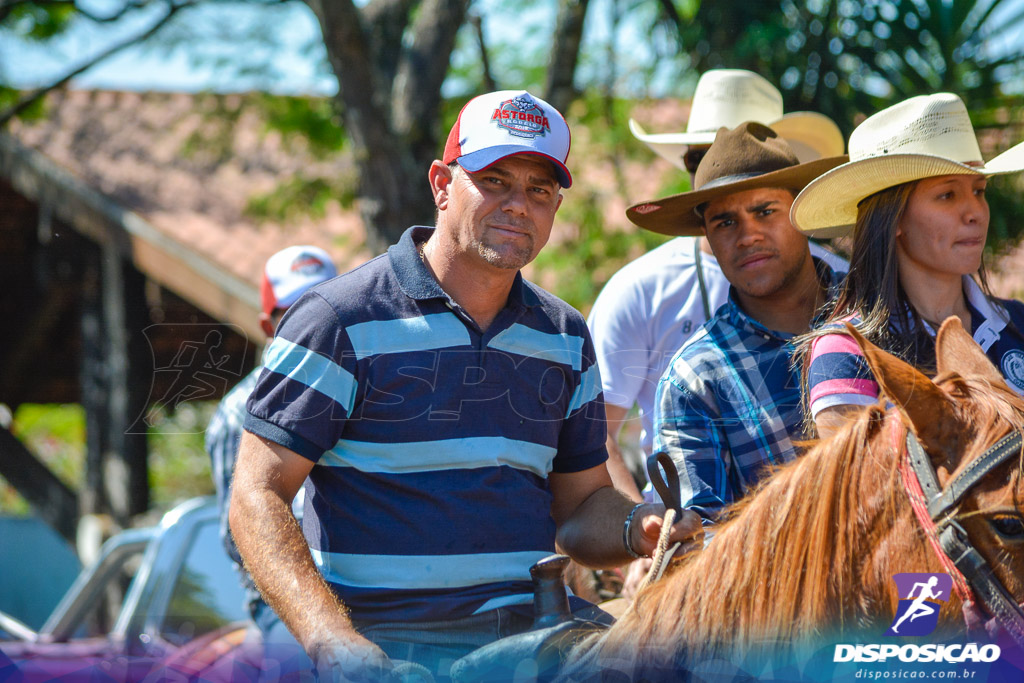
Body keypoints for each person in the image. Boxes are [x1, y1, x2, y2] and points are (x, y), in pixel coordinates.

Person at [228, 90, 701, 681]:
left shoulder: (563, 334)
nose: (518, 205)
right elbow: (256, 496)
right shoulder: (338, 320)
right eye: (495, 180)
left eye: (539, 189)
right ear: (441, 184)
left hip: (539, 632)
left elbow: (579, 508)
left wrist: (640, 527)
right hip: (389, 643)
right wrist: (333, 643)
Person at [590, 69, 846, 500]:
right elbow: (596, 436)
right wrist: (639, 537)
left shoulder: (876, 302)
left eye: (764, 206)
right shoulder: (658, 319)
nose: (726, 165)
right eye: (703, 160)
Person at [790, 93, 1024, 440]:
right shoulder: (846, 353)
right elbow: (861, 492)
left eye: (979, 190)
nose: (975, 211)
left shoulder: (1018, 322)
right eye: (947, 195)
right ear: (893, 218)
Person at [204, 246, 337, 658]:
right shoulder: (237, 413)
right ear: (268, 324)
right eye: (293, 311)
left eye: (323, 304)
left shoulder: (369, 392)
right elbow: (239, 534)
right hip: (285, 603)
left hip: (368, 593)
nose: (311, 322)